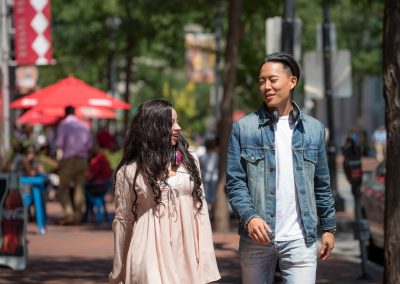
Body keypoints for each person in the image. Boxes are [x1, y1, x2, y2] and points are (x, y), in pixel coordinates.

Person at [226, 53, 336, 284]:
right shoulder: (244, 128)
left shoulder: (314, 130)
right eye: (261, 80)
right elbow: (235, 182)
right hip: (256, 238)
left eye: (273, 80)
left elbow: (322, 184)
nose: (266, 86)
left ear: (292, 81)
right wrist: (249, 217)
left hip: (300, 238)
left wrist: (328, 227)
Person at [109, 99, 220, 284]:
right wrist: (118, 272)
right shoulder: (129, 171)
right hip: (147, 251)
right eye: (171, 123)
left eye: (177, 121)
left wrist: (206, 260)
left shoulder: (190, 161)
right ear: (153, 127)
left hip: (186, 253)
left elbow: (200, 212)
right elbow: (123, 223)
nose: (178, 127)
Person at [56, 106, 92, 225]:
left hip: (69, 159)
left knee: (63, 187)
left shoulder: (64, 125)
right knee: (79, 188)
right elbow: (89, 145)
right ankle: (78, 216)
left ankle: (69, 213)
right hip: (82, 160)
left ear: (65, 113)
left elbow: (59, 144)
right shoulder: (84, 126)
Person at [199, 138, 219, 211]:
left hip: (206, 178)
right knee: (213, 198)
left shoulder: (202, 156)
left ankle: (209, 213)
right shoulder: (217, 155)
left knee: (206, 197)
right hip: (214, 178)